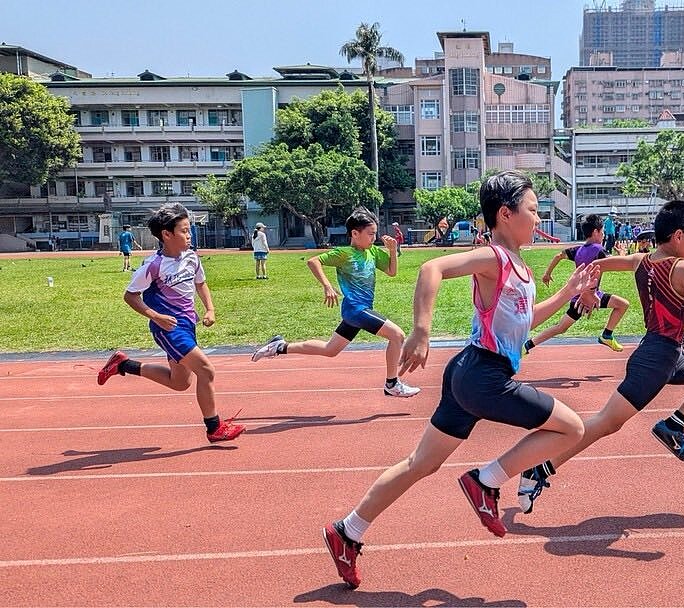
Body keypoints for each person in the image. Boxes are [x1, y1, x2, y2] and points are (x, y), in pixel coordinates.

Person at [320, 171, 597, 588]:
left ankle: (348, 530)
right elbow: (432, 268)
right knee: (572, 428)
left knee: (421, 464)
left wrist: (566, 295)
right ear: (506, 214)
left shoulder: (518, 266)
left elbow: (521, 325)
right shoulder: (494, 258)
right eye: (534, 211)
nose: (539, 220)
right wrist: (421, 330)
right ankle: (485, 481)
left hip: (467, 374)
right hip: (484, 376)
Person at [516, 200, 684, 515]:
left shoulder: (643, 260)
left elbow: (599, 264)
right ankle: (539, 468)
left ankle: (673, 425)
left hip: (668, 353)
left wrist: (587, 287)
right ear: (679, 236)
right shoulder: (682, 267)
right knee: (605, 423)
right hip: (656, 359)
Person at [96, 203, 244, 443]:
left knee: (180, 383)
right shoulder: (153, 266)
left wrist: (210, 309)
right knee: (206, 370)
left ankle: (123, 365)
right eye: (184, 231)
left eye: (189, 230)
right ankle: (214, 428)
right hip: (169, 329)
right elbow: (130, 296)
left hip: (188, 325)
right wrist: (155, 316)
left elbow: (200, 283)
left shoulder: (192, 257)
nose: (190, 235)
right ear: (167, 234)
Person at [250, 207, 420, 398]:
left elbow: (391, 271)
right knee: (397, 335)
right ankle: (392, 383)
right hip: (356, 310)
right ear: (355, 233)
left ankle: (279, 347)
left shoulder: (372, 252)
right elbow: (313, 261)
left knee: (330, 350)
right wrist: (327, 286)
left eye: (375, 234)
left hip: (358, 312)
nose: (374, 238)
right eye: (371, 234)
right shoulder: (344, 253)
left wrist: (392, 251)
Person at [524, 214, 629, 354]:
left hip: (579, 296)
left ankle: (528, 345)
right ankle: (607, 335)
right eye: (602, 232)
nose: (604, 235)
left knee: (560, 327)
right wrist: (622, 253)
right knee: (623, 305)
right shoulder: (599, 250)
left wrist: (547, 274)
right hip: (589, 296)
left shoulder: (578, 250)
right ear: (596, 232)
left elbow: (558, 256)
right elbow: (617, 264)